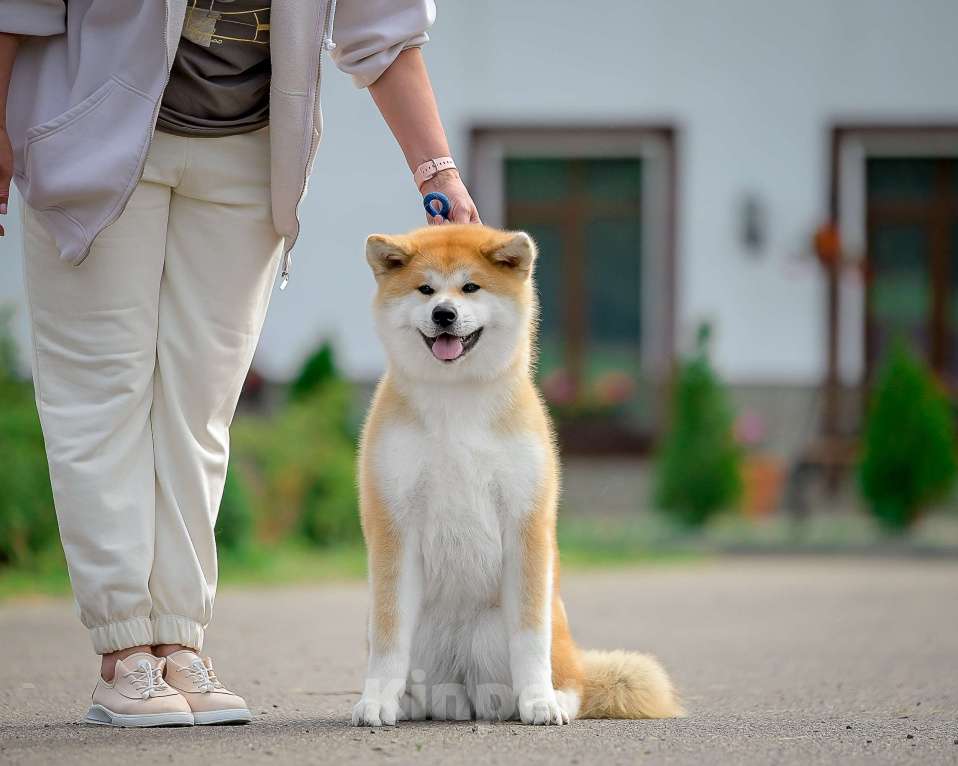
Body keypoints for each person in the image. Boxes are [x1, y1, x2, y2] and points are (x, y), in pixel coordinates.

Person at [0, 0, 479, 727]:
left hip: (249, 153)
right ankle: (125, 649)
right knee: (104, 395)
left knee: (200, 407)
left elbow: (382, 27)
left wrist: (435, 169)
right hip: (93, 131)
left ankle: (179, 637)